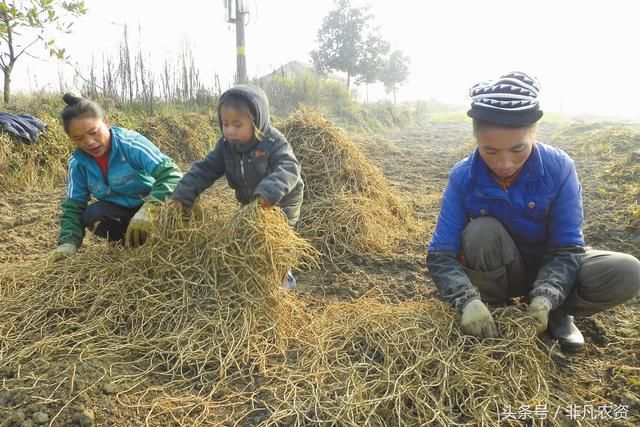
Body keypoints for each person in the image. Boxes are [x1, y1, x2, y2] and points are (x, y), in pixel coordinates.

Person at [426, 71, 640, 353]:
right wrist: (466, 300)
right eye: (490, 151)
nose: (504, 163)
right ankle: (491, 309)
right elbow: (440, 254)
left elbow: (567, 247)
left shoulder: (559, 168)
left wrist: (547, 296)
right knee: (481, 230)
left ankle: (555, 311)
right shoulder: (463, 176)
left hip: (550, 266)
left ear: (533, 133)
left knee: (627, 271)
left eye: (518, 149)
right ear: (476, 138)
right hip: (500, 272)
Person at [167, 84, 304, 288]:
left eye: (237, 125)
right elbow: (204, 170)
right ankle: (253, 279)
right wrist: (180, 196)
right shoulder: (225, 146)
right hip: (250, 204)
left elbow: (289, 167)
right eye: (225, 124)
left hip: (280, 202)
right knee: (247, 241)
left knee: (272, 245)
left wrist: (267, 195)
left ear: (256, 122)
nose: (230, 131)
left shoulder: (273, 141)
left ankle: (284, 282)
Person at [51, 93, 182, 261]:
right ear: (71, 139)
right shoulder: (78, 164)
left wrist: (151, 207)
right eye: (79, 138)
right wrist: (67, 243)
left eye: (93, 132)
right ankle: (130, 250)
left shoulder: (130, 144)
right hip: (122, 215)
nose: (90, 142)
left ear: (106, 122)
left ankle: (163, 246)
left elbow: (171, 174)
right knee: (93, 215)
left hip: (157, 208)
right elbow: (73, 207)